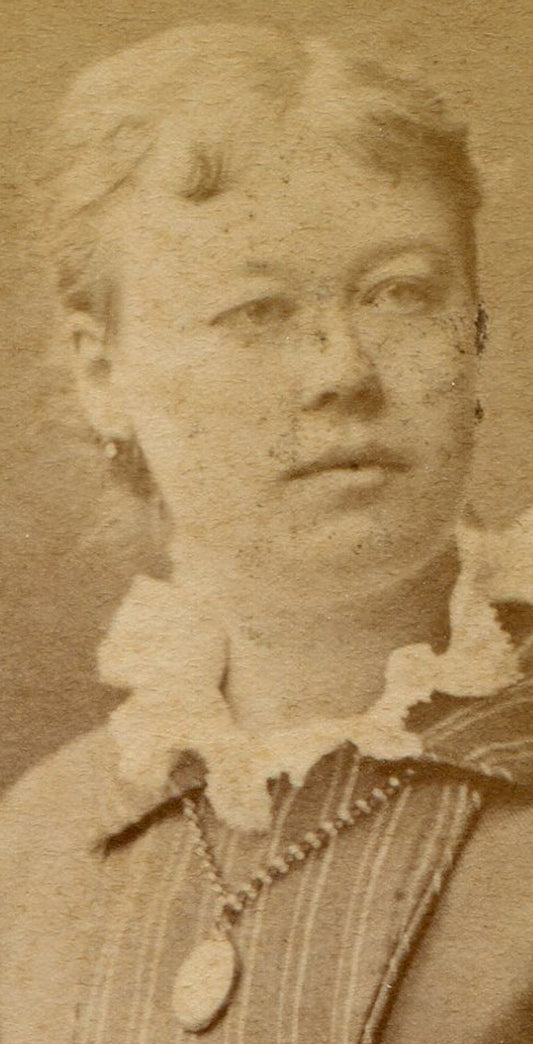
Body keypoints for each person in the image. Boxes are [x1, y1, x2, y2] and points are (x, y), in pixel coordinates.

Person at [1, 21, 533, 1044]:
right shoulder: (33, 845)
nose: (341, 372)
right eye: (254, 311)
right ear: (101, 374)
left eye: (400, 294)